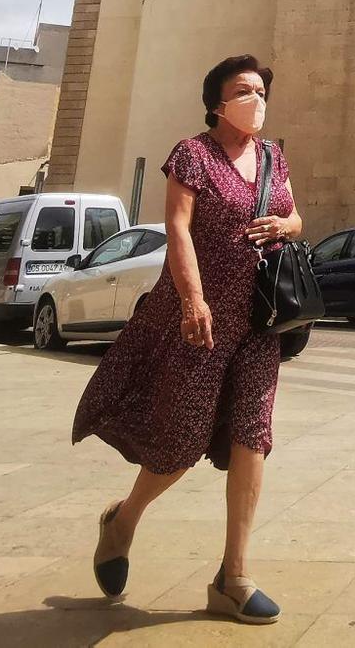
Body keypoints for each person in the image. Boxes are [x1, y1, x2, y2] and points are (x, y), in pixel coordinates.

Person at [71, 54, 300, 624]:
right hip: (199, 319)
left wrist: (284, 225)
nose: (256, 99)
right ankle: (122, 521)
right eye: (244, 90)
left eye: (261, 90)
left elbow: (295, 216)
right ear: (217, 103)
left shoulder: (273, 157)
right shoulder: (192, 154)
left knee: (254, 436)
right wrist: (194, 300)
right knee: (180, 441)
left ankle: (233, 576)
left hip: (259, 322)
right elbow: (177, 226)